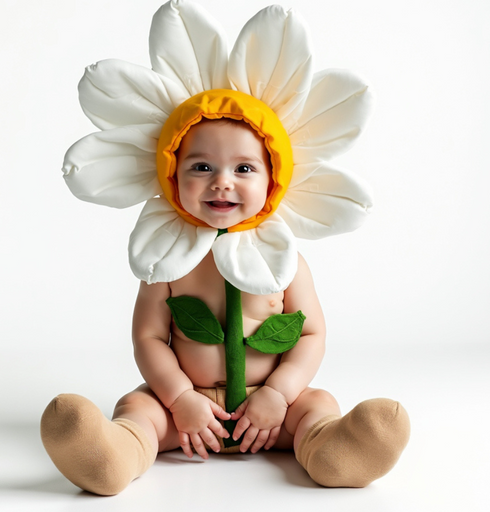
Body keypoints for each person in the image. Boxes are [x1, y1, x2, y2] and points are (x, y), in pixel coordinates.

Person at [41, 117, 410, 496]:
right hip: (185, 415)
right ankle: (115, 454)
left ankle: (334, 450)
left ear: (273, 179)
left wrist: (280, 393)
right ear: (171, 176)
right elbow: (148, 337)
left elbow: (312, 333)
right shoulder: (165, 261)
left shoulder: (286, 262)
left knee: (316, 402)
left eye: (244, 168)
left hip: (271, 413)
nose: (221, 181)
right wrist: (180, 398)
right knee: (139, 406)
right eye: (201, 167)